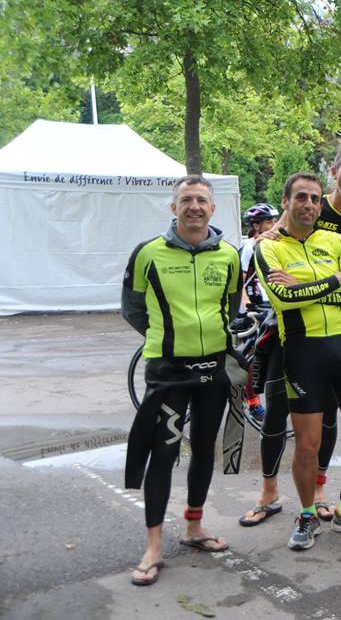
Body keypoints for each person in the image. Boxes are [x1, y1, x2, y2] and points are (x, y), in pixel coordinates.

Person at [239, 143, 341, 527]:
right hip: (291, 333)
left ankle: (324, 495)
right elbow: (283, 279)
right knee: (280, 416)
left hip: (340, 332)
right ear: (335, 172)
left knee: (335, 420)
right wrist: (331, 279)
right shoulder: (308, 209)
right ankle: (271, 494)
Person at [122, 175, 240, 585]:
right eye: (186, 199)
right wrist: (166, 338)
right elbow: (133, 308)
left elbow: (229, 307)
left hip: (213, 369)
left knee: (205, 449)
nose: (194, 206)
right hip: (168, 371)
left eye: (201, 200)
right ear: (174, 208)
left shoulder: (229, 255)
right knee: (163, 452)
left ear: (212, 208)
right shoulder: (148, 253)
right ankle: (153, 545)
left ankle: (194, 526)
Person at [237, 203, 279, 421]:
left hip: (270, 305)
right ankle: (252, 402)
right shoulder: (249, 248)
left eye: (275, 220)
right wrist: (247, 309)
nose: (275, 224)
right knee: (253, 356)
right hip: (254, 307)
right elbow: (240, 282)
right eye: (269, 221)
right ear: (256, 226)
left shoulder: (274, 245)